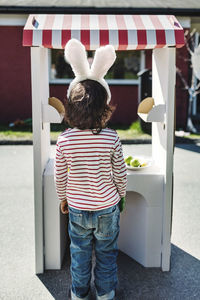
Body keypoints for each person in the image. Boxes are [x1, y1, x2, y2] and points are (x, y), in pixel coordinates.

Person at [54, 39, 127, 300]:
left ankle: (79, 294)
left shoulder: (64, 140)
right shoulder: (111, 138)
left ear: (70, 106)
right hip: (107, 206)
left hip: (77, 207)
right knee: (107, 253)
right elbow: (120, 173)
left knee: (80, 253)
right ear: (105, 107)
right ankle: (106, 294)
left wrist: (63, 197)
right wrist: (121, 196)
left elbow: (60, 175)